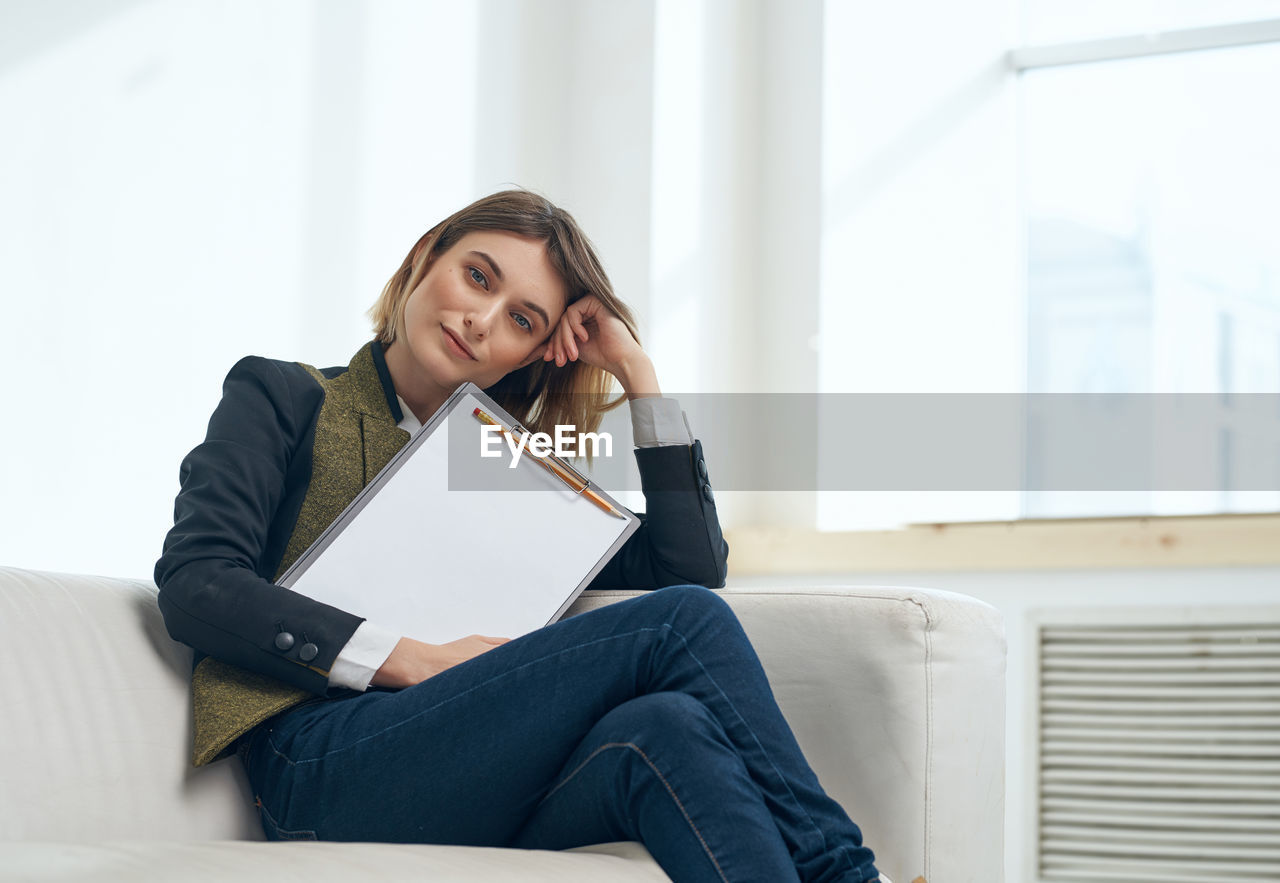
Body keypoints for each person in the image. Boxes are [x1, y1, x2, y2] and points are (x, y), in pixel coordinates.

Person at [155, 189, 883, 883]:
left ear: (531, 356)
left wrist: (638, 374)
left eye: (522, 320)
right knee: (683, 626)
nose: (480, 320)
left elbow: (685, 564)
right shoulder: (286, 397)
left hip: (471, 761)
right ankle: (845, 873)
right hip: (316, 762)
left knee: (669, 726)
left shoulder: (514, 471)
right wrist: (408, 659)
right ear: (422, 259)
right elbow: (197, 582)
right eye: (477, 277)